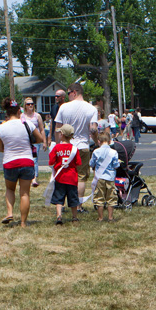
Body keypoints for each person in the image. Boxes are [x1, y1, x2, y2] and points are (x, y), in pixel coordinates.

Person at [0, 98, 44, 227]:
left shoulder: (1, 128)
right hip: (27, 161)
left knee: (10, 189)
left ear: (6, 112)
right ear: (19, 111)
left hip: (10, 161)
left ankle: (10, 212)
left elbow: (0, 148)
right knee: (24, 193)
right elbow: (40, 139)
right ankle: (23, 222)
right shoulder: (27, 123)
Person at [54, 83, 98, 213]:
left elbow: (58, 128)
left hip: (65, 146)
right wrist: (97, 142)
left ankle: (61, 204)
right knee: (81, 177)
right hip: (82, 145)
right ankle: (78, 206)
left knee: (63, 175)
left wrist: (58, 145)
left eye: (68, 93)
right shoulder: (91, 109)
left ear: (74, 92)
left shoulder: (63, 107)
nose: (67, 96)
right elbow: (93, 129)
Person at [49, 124, 81, 225]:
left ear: (61, 135)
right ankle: (74, 217)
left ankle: (59, 216)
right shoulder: (74, 149)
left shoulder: (57, 148)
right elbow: (78, 163)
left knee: (59, 198)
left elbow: (51, 161)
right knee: (73, 198)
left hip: (60, 178)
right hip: (72, 178)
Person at [90, 131, 120, 222]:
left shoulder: (96, 151)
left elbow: (91, 163)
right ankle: (110, 217)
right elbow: (116, 165)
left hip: (100, 177)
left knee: (100, 197)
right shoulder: (113, 152)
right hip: (110, 177)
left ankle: (100, 218)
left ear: (98, 141)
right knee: (111, 197)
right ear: (110, 141)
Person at [21, 97, 45, 187]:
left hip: (35, 141)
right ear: (25, 106)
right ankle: (27, 177)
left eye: (32, 104)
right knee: (26, 159)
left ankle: (34, 178)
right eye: (28, 104)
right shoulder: (22, 116)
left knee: (34, 159)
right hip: (25, 141)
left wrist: (44, 141)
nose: (30, 105)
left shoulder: (37, 116)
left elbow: (42, 129)